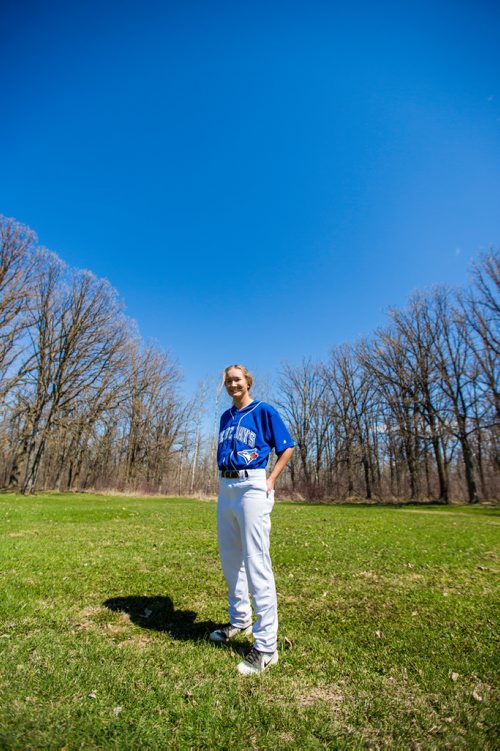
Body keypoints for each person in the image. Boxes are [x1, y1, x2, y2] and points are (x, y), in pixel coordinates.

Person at [209, 364, 295, 675]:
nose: (233, 384)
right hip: (227, 486)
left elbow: (286, 447)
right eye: (228, 380)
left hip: (253, 484)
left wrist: (271, 480)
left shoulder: (264, 410)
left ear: (248, 382)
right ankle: (240, 619)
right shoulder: (225, 418)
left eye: (237, 379)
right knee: (231, 558)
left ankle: (266, 646)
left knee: (256, 560)